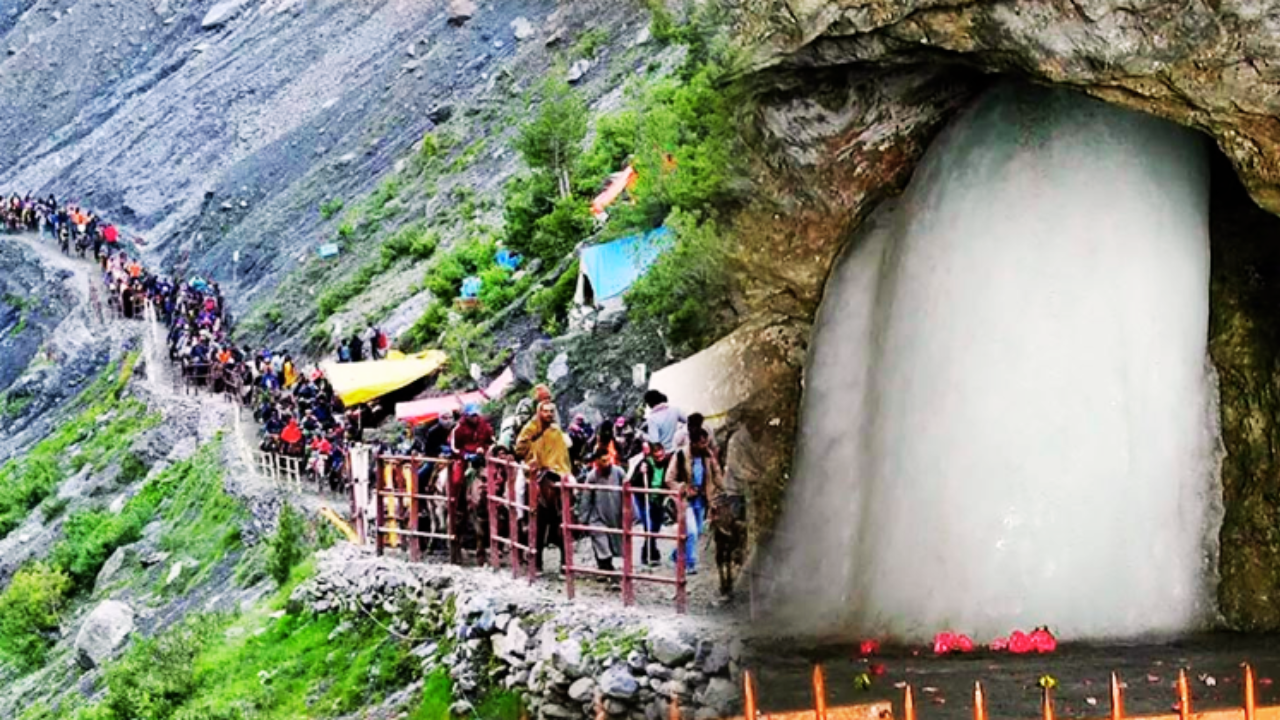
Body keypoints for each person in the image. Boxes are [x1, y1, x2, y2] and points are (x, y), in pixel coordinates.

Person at [667, 427, 721, 575]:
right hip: (685, 500)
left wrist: (723, 490)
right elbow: (669, 479)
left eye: (707, 442)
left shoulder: (708, 456)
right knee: (690, 532)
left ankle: (676, 554)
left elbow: (716, 474)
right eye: (702, 443)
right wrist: (684, 487)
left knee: (697, 532)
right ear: (694, 443)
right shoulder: (680, 455)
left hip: (702, 499)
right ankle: (690, 563)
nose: (705, 446)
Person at [576, 450, 626, 573]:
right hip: (597, 515)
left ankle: (607, 567)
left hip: (615, 513)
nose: (606, 463)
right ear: (597, 462)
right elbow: (586, 499)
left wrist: (628, 514)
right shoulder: (592, 476)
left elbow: (628, 493)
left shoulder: (619, 472)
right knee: (600, 539)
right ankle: (604, 567)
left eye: (608, 460)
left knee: (614, 542)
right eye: (603, 461)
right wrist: (583, 519)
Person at [629, 443, 672, 567]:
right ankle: (649, 554)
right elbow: (633, 481)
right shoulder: (645, 463)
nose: (660, 458)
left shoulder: (668, 463)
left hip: (658, 499)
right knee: (649, 527)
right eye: (656, 457)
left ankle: (650, 551)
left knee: (656, 528)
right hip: (644, 499)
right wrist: (641, 473)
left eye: (661, 456)